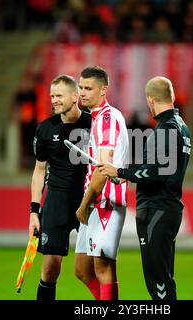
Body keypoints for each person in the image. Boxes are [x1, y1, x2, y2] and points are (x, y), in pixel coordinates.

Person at [98, 76, 191, 300]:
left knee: (158, 284)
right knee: (165, 280)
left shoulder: (165, 129)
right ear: (172, 97)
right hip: (168, 208)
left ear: (150, 100)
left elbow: (157, 172)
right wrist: (127, 173)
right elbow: (157, 167)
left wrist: (120, 172)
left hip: (156, 210)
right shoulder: (181, 127)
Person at [29, 74, 91, 301]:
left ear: (75, 96)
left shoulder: (93, 123)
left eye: (59, 95)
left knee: (94, 269)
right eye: (51, 96)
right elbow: (38, 171)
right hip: (57, 201)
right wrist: (34, 212)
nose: (53, 100)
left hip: (88, 200)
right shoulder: (45, 129)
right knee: (50, 269)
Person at [73, 66, 129, 300]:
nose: (82, 93)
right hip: (95, 202)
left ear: (103, 90)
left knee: (103, 269)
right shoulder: (97, 118)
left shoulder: (107, 117)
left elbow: (103, 169)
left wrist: (84, 203)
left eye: (88, 88)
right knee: (82, 269)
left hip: (106, 202)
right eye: (81, 87)